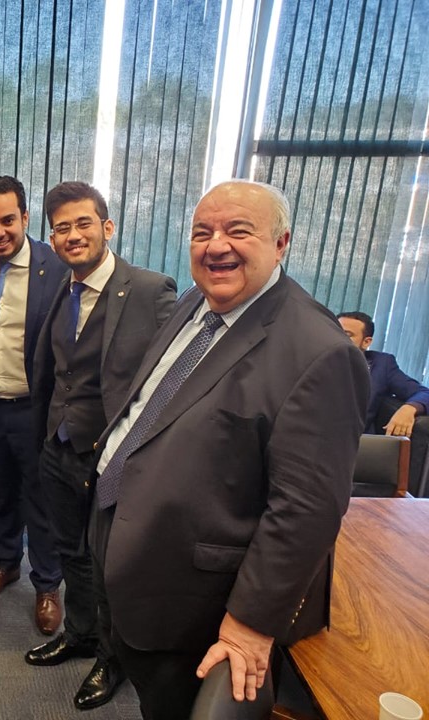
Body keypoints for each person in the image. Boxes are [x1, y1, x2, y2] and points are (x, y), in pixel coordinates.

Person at [91, 180, 370, 719]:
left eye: (238, 231)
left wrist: (249, 623)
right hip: (123, 535)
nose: (216, 245)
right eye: (202, 232)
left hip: (195, 598)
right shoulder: (197, 300)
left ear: (281, 243)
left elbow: (306, 509)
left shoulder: (320, 352)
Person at [28, 181, 176, 711]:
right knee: (70, 550)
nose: (72, 235)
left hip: (113, 455)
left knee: (109, 563)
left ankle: (113, 660)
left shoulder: (150, 289)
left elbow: (171, 380)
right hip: (58, 446)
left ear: (107, 227)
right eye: (61, 228)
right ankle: (80, 633)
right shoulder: (60, 287)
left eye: (83, 223)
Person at [0, 175, 65, 635]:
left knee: (39, 499)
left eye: (7, 221)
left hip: (32, 409)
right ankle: (5, 562)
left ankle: (47, 583)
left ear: (25, 217)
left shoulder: (54, 267)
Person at [337, 311, 429, 437]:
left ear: (366, 342)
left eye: (347, 335)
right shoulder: (313, 359)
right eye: (334, 331)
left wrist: (408, 409)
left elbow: (423, 393)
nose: (337, 338)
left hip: (354, 441)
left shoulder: (381, 364)